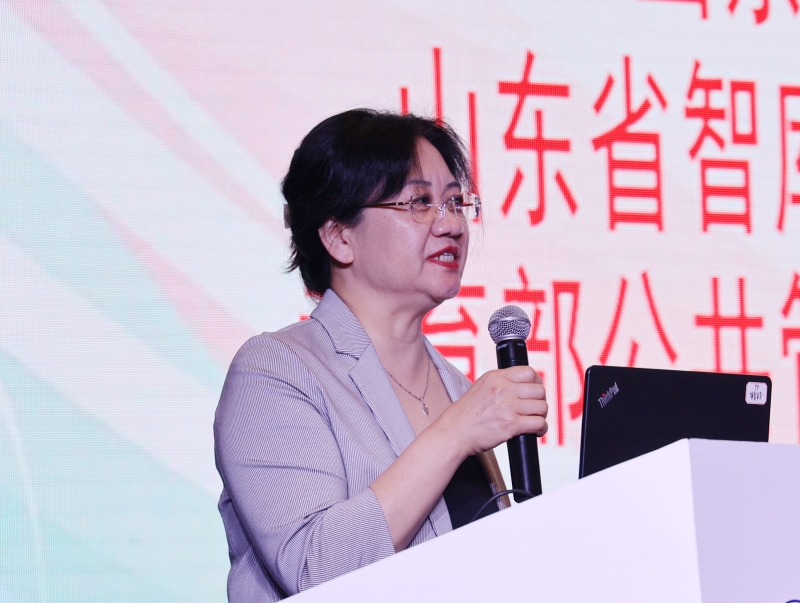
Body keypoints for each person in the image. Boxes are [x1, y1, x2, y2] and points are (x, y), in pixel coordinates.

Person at [214, 109, 548, 602]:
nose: (451, 224)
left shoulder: (457, 387)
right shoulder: (276, 372)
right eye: (419, 202)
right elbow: (313, 570)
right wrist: (456, 432)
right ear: (339, 236)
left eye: (455, 202)